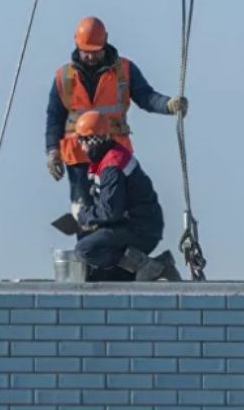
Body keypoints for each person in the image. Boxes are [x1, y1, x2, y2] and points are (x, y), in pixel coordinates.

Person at [45, 15, 187, 203]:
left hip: (114, 153)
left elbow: (146, 97)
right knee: (83, 214)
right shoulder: (63, 77)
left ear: (105, 42)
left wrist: (168, 105)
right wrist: (53, 151)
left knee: (116, 208)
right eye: (85, 51)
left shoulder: (124, 70)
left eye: (95, 51)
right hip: (79, 157)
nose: (90, 56)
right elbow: (54, 118)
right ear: (77, 44)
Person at [69, 111, 176, 282]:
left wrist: (82, 215)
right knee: (101, 272)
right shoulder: (109, 159)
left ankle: (147, 266)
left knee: (86, 249)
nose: (82, 148)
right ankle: (157, 267)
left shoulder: (112, 166)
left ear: (94, 141)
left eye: (83, 142)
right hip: (138, 225)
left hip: (140, 229)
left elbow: (111, 211)